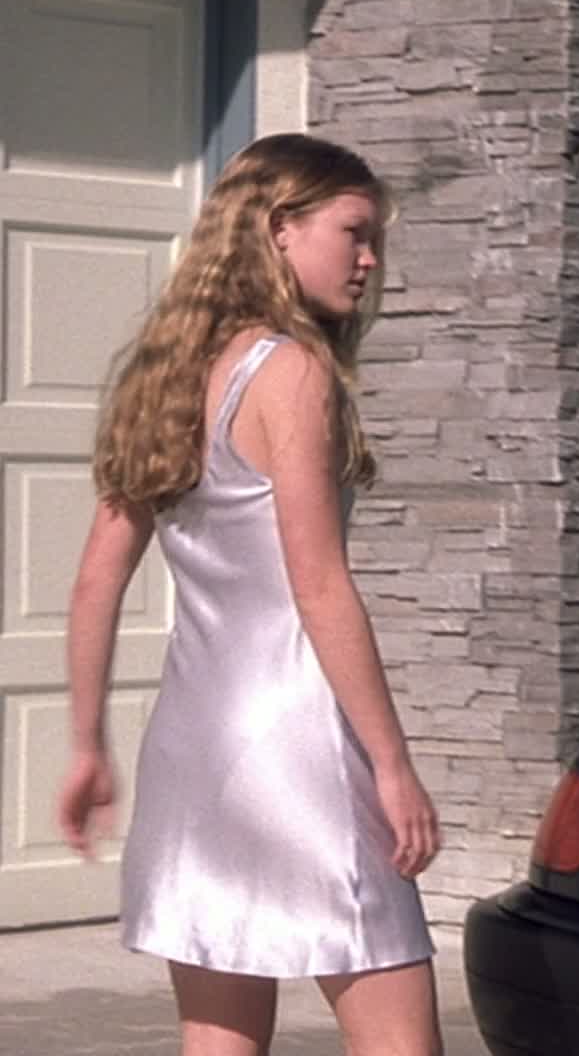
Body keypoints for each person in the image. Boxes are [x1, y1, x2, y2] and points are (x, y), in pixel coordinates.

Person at [56, 133, 444, 1056]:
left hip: (195, 745)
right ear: (280, 229)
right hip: (301, 743)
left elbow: (94, 581)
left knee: (220, 1044)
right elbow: (319, 587)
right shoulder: (292, 372)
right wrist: (393, 766)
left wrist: (87, 745)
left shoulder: (169, 374)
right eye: (354, 232)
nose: (369, 260)